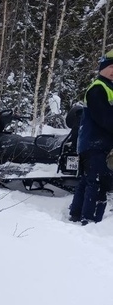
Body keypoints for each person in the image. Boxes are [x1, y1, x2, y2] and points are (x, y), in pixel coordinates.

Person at [69, 49, 113, 224]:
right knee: (97, 181)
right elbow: (105, 118)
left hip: (99, 142)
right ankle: (89, 220)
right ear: (102, 68)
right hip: (94, 143)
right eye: (111, 66)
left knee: (87, 180)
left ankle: (76, 214)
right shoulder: (97, 89)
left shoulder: (109, 88)